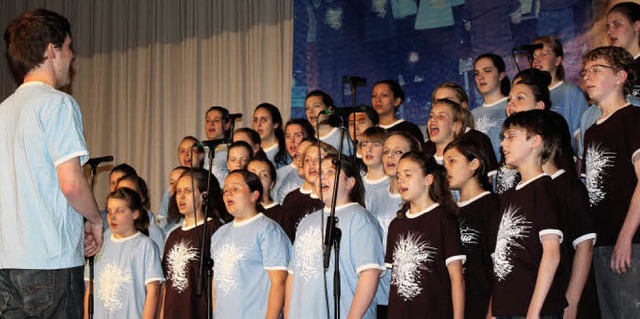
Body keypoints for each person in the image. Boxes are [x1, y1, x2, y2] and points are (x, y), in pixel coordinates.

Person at [0, 9, 103, 318]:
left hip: (7, 264)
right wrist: (96, 220)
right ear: (50, 49)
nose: (72, 57)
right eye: (69, 47)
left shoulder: (3, 112)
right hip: (51, 265)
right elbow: (71, 184)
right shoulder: (58, 104)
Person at [580, 46, 640, 318]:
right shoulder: (591, 131)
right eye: (585, 72)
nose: (587, 77)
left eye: (596, 70)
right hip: (602, 242)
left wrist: (626, 237)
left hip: (631, 241)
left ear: (620, 77)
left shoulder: (633, 118)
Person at [285, 155, 385, 319]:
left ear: (350, 182)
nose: (322, 176)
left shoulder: (360, 218)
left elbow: (370, 272)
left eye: (331, 172)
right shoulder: (306, 222)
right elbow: (293, 275)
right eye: (320, 172)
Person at [491, 110, 565, 318]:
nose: (503, 145)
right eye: (503, 138)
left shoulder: (543, 189)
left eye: (511, 137)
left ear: (535, 141)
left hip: (534, 308)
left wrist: (534, 311)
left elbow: (551, 254)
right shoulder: (508, 196)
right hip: (509, 306)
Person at [385, 151, 465, 319]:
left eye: (408, 175)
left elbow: (456, 277)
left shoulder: (443, 219)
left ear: (428, 180)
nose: (401, 180)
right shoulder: (396, 225)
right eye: (398, 176)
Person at [539, 110, 598, 319]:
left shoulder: (568, 187)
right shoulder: (530, 190)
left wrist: (571, 304)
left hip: (568, 298)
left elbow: (584, 246)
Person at [211, 169, 291, 318]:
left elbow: (279, 281)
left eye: (235, 188)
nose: (228, 193)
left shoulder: (268, 230)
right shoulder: (219, 234)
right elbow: (216, 284)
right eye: (225, 190)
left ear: (254, 195)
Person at [85, 188, 164, 319]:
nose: (113, 216)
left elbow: (153, 291)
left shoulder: (146, 246)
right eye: (109, 211)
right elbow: (90, 287)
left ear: (135, 214)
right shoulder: (101, 242)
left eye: (120, 211)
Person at [443, 139, 498, 319]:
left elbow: (499, 265)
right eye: (444, 163)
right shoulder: (447, 211)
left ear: (474, 164)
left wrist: (493, 310)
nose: (446, 168)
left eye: (452, 161)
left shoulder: (492, 205)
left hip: (481, 304)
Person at [160, 169, 224, 319]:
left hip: (199, 312)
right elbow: (166, 285)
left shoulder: (214, 228)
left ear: (203, 196)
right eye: (178, 192)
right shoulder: (173, 235)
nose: (181, 196)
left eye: (188, 191)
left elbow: (219, 278)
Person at [532, 36, 588, 148]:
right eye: (534, 56)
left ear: (558, 60)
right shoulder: (530, 94)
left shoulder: (571, 92)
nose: (537, 60)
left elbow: (581, 134)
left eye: (543, 54)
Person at [431, 82, 498, 176]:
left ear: (464, 105)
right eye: (437, 102)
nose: (442, 105)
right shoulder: (428, 147)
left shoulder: (478, 140)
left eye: (448, 101)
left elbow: (490, 179)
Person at [280, 141, 336, 241]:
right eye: (307, 160)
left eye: (318, 159)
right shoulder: (291, 198)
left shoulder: (334, 197)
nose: (312, 164)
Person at [471, 53, 510, 160]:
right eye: (476, 73)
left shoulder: (512, 106)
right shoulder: (471, 115)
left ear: (501, 75)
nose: (480, 77)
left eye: (487, 71)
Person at [115, 175, 166, 253]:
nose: (124, 199)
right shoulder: (109, 232)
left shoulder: (153, 232)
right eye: (120, 194)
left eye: (130, 193)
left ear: (142, 197)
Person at [273, 119, 315, 203]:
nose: (292, 141)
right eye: (288, 136)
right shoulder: (278, 174)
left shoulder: (316, 170)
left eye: (297, 135)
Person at [304, 90, 352, 155]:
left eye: (316, 106)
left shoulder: (343, 137)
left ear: (329, 110)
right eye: (307, 108)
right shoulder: (306, 139)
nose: (311, 111)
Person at [423, 99, 465, 164]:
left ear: (456, 126)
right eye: (431, 116)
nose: (433, 119)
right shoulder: (424, 163)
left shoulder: (463, 162)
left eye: (441, 116)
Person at [248, 157, 287, 227]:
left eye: (264, 175)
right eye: (252, 174)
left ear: (272, 184)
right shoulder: (238, 210)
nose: (257, 178)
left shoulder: (282, 215)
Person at [253, 103, 290, 168]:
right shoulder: (251, 150)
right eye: (255, 120)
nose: (258, 124)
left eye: (264, 120)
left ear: (276, 124)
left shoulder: (286, 151)